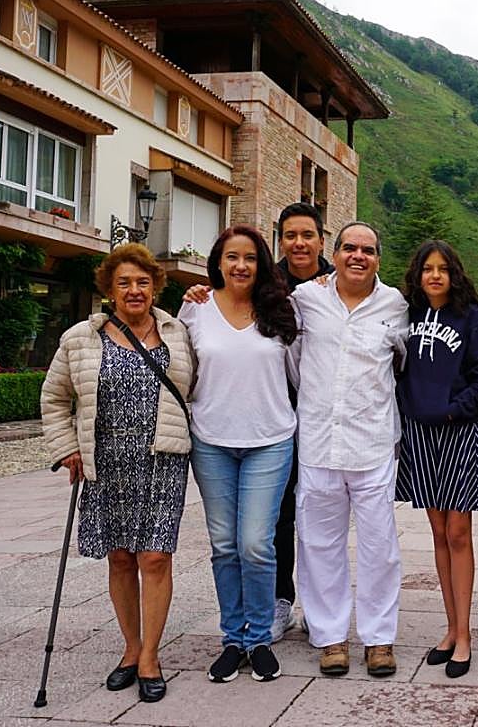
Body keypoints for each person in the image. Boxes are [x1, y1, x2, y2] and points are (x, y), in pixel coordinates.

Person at [41, 244, 195, 704]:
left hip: (162, 457)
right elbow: (53, 398)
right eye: (124, 283)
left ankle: (150, 655)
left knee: (155, 557)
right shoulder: (80, 338)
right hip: (105, 461)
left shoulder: (177, 333)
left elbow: (197, 387)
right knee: (121, 557)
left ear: (155, 287)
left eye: (143, 282)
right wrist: (66, 448)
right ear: (109, 289)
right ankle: (130, 648)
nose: (134, 290)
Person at [288, 222, 409, 678]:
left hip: (374, 443)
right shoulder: (306, 299)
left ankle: (379, 639)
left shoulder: (395, 305)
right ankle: (330, 637)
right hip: (319, 441)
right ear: (333, 254)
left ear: (379, 258)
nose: (358, 256)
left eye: (369, 250)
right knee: (319, 545)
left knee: (380, 547)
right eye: (350, 248)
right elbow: (292, 361)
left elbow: (401, 362)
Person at [180, 225, 298, 684]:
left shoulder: (280, 309)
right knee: (224, 544)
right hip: (211, 440)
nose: (241, 266)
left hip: (269, 439)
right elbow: (178, 366)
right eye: (232, 257)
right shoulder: (195, 306)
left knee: (256, 542)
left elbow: (302, 373)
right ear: (218, 262)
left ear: (262, 263)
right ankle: (233, 639)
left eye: (249, 257)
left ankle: (260, 639)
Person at [395, 240, 478, 679]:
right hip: (420, 434)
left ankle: (466, 635)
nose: (434, 275)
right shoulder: (407, 317)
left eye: (442, 268)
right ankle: (451, 628)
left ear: (455, 273)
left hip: (458, 432)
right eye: (427, 269)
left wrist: (456, 409)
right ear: (417, 275)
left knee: (459, 532)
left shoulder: (472, 319)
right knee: (438, 533)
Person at [270, 202, 335, 642]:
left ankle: (317, 602)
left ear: (320, 240)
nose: (299, 243)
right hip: (271, 416)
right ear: (281, 239)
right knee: (277, 516)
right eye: (290, 235)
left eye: (306, 235)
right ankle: (278, 600)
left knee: (320, 516)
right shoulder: (263, 284)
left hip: (324, 418)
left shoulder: (343, 281)